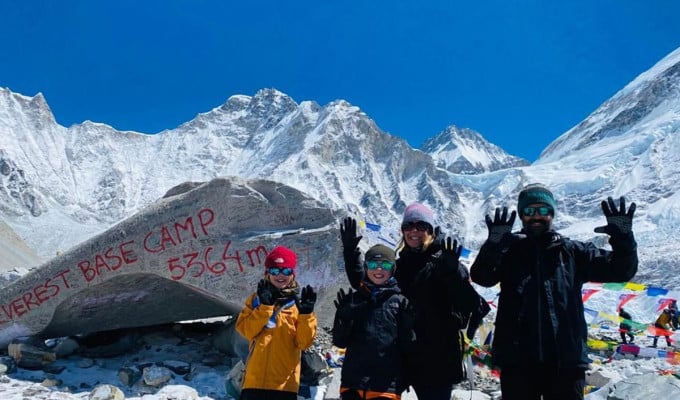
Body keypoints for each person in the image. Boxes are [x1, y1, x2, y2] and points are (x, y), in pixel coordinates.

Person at [470, 184, 638, 400]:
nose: (536, 217)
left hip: (565, 362)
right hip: (518, 362)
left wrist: (623, 240)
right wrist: (492, 246)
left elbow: (621, 270)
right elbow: (482, 276)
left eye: (543, 211)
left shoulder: (573, 252)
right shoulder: (508, 252)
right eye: (530, 211)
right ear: (522, 215)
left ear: (552, 214)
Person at [340, 203, 487, 400]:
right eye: (408, 226)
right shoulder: (401, 265)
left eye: (421, 226)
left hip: (437, 360)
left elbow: (472, 305)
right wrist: (351, 253)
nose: (414, 231)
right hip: (402, 358)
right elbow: (365, 285)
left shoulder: (445, 262)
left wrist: (452, 275)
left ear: (431, 230)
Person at [332, 244, 416, 400]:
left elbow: (408, 348)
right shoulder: (354, 300)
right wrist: (343, 318)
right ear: (365, 267)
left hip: (386, 387)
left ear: (393, 269)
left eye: (385, 265)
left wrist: (408, 327)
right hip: (353, 384)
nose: (379, 270)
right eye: (373, 264)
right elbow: (339, 342)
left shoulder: (401, 302)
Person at [235, 245, 318, 400]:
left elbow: (304, 343)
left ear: (292, 273)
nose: (280, 275)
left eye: (286, 270)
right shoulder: (256, 300)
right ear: (267, 273)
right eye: (275, 270)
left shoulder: (299, 305)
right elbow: (246, 331)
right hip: (254, 383)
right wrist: (265, 308)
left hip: (284, 386)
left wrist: (306, 315)